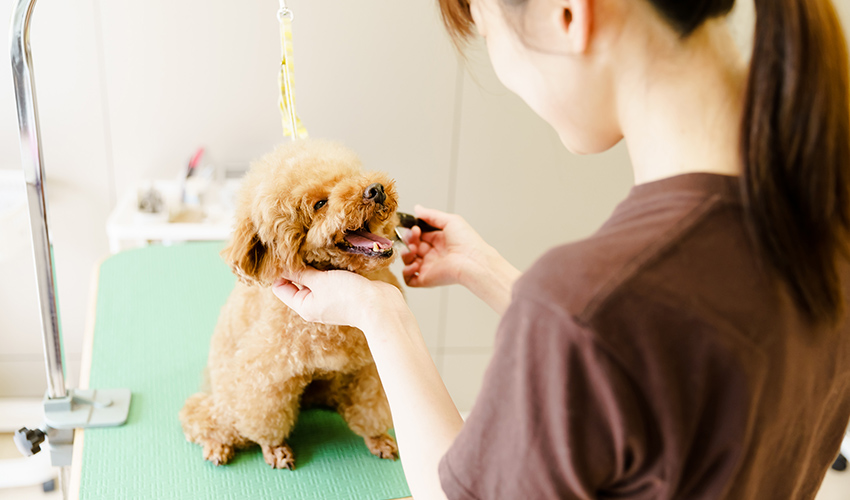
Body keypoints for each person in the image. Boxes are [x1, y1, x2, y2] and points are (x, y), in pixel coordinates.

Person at [272, 0, 850, 498]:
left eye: (491, 34)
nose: (503, 71)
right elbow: (646, 362)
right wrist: (489, 271)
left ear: (566, 14)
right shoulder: (823, 210)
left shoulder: (580, 304)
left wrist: (382, 313)